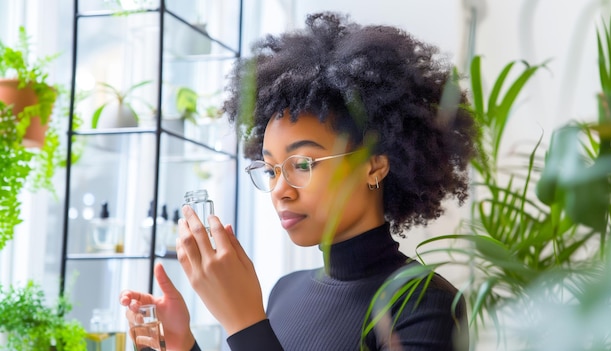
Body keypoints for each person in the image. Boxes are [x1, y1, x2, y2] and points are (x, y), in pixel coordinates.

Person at [120, 11, 476, 351]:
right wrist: (183, 343)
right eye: (272, 170)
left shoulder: (425, 305)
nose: (280, 191)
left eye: (303, 164)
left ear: (375, 165)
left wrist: (244, 321)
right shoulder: (283, 292)